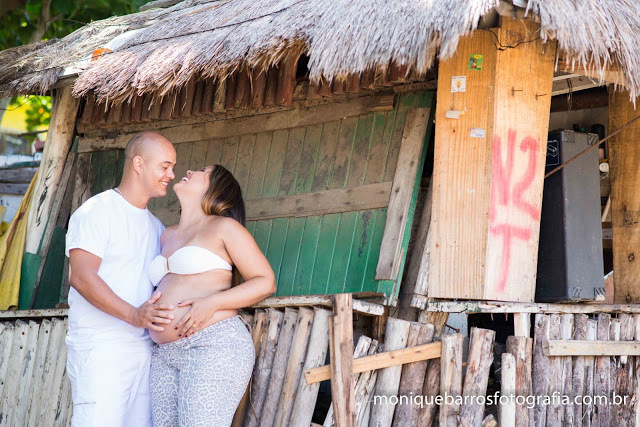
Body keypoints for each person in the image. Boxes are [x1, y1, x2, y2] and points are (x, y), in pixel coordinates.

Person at [148, 164, 276, 426]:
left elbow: (265, 281)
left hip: (213, 343)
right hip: (165, 353)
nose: (190, 171)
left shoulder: (224, 227)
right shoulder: (166, 235)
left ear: (217, 189)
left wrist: (213, 302)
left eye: (203, 171)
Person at [65, 131, 177, 427]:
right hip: (102, 347)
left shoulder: (156, 227)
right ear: (139, 164)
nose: (171, 175)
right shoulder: (97, 211)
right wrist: (133, 315)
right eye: (165, 166)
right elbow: (81, 276)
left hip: (144, 350)